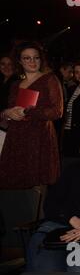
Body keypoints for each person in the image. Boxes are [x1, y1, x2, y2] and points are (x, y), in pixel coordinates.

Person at [26, 129, 80, 272]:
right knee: (45, 271)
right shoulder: (73, 169)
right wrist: (73, 219)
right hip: (55, 229)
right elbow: (51, 204)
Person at [0, 41, 63, 191]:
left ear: (41, 60)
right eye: (27, 58)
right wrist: (7, 113)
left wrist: (28, 111)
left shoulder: (50, 79)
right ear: (20, 61)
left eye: (36, 57)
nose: (32, 61)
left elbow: (57, 111)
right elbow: (9, 110)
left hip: (39, 137)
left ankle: (37, 214)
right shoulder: (15, 84)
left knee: (36, 188)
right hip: (16, 136)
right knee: (14, 187)